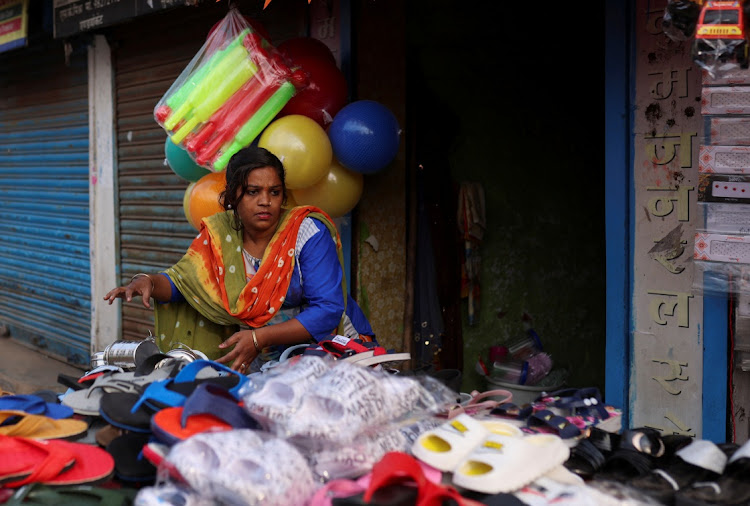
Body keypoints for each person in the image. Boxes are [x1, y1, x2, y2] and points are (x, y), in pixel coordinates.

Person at [104, 146, 375, 373]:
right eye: (253, 192)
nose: (265, 201)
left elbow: (327, 309)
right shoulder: (221, 236)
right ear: (234, 194)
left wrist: (258, 338)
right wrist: (148, 281)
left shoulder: (306, 233)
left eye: (275, 192)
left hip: (329, 346)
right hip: (264, 352)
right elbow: (185, 284)